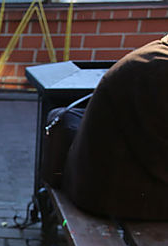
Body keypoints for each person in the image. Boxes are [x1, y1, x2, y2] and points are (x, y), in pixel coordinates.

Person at [63, 34, 168, 221]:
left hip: (121, 184)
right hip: (117, 195)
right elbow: (159, 154)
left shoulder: (156, 56)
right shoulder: (159, 67)